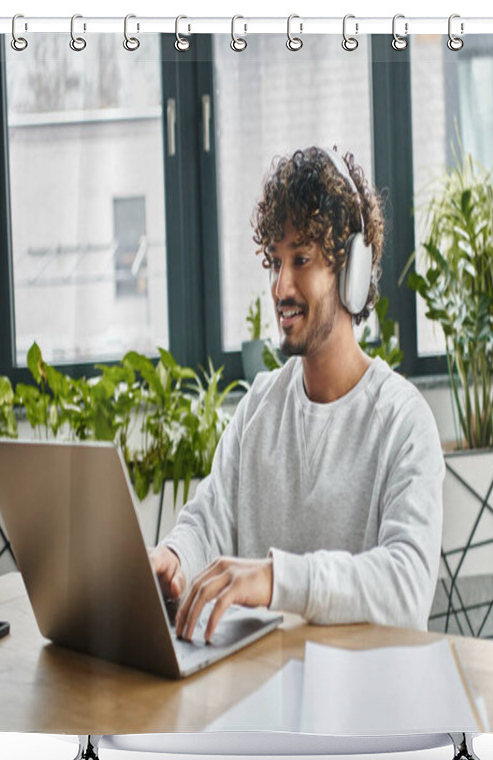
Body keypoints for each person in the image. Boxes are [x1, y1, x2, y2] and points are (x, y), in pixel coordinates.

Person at [150, 146, 444, 641]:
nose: (280, 286)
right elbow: (207, 522)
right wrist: (174, 559)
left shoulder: (403, 421)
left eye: (301, 259)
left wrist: (276, 579)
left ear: (351, 271)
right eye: (274, 262)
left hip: (365, 704)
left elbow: (405, 586)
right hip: (263, 695)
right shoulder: (259, 408)